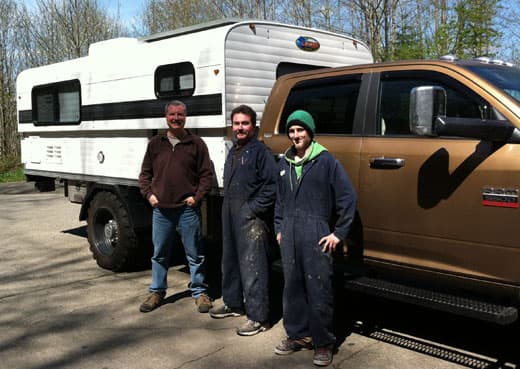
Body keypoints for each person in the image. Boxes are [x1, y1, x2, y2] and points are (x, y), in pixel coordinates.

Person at [273, 110, 357, 366]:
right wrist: (279, 227)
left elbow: (348, 198)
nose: (296, 135)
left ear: (310, 132)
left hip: (316, 236)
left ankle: (323, 342)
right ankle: (298, 336)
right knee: (292, 288)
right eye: (292, 131)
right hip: (289, 234)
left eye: (301, 130)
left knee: (319, 289)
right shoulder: (284, 163)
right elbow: (279, 201)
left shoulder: (326, 162)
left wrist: (339, 233)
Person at [138, 100, 213, 314]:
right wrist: (149, 195)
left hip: (187, 209)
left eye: (180, 114)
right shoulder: (155, 143)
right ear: (166, 117)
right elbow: (145, 174)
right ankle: (157, 291)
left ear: (186, 117)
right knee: (160, 254)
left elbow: (206, 175)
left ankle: (199, 292)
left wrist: (197, 197)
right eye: (172, 114)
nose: (176, 118)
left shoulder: (196, 143)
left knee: (195, 254)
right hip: (161, 210)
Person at [209, 104, 277, 336]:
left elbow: (272, 187)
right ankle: (233, 302)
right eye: (236, 123)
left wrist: (252, 209)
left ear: (253, 126)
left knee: (252, 267)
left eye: (244, 123)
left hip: (252, 219)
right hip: (230, 213)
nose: (240, 128)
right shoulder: (234, 150)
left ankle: (259, 317)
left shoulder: (261, 152)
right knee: (230, 261)